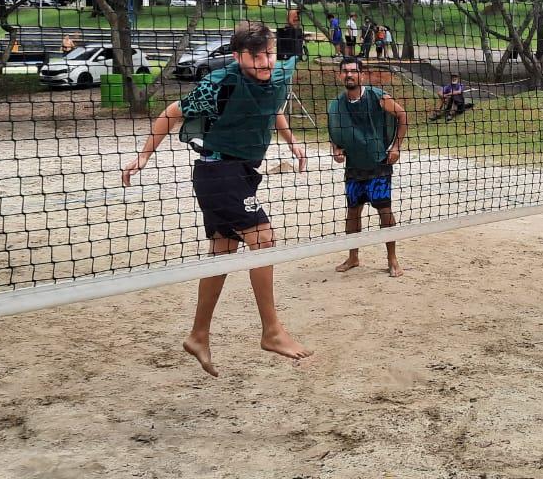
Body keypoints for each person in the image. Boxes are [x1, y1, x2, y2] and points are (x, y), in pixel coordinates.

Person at [121, 21, 312, 375]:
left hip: (242, 173)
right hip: (217, 172)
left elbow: (273, 107)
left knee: (223, 255)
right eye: (255, 57)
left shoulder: (278, 76)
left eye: (268, 54)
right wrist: (144, 156)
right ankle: (271, 331)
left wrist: (292, 141)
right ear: (239, 56)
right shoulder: (220, 83)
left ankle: (198, 334)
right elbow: (171, 113)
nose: (264, 62)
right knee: (263, 239)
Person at [328, 56, 408, 277]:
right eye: (345, 71)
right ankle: (353, 257)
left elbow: (402, 115)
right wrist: (336, 149)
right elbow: (336, 131)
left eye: (353, 71)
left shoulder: (377, 96)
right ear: (340, 75)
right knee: (353, 212)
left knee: (384, 211)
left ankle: (392, 259)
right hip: (354, 167)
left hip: (378, 164)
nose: (349, 74)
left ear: (361, 74)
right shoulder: (336, 105)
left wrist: (395, 147)